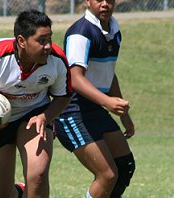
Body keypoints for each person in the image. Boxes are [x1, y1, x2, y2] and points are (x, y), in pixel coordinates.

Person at [0, 9, 72, 198]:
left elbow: (64, 96)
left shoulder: (56, 61)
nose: (48, 46)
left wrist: (45, 116)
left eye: (49, 39)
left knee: (39, 175)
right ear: (21, 41)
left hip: (34, 114)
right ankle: (18, 193)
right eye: (41, 40)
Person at [53, 0, 135, 197]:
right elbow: (75, 78)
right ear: (88, 1)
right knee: (107, 174)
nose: (105, 4)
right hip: (72, 111)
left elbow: (109, 74)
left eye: (110, 0)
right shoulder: (81, 32)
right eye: (99, 0)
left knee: (124, 166)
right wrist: (107, 102)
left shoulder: (114, 31)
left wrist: (124, 116)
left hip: (95, 110)